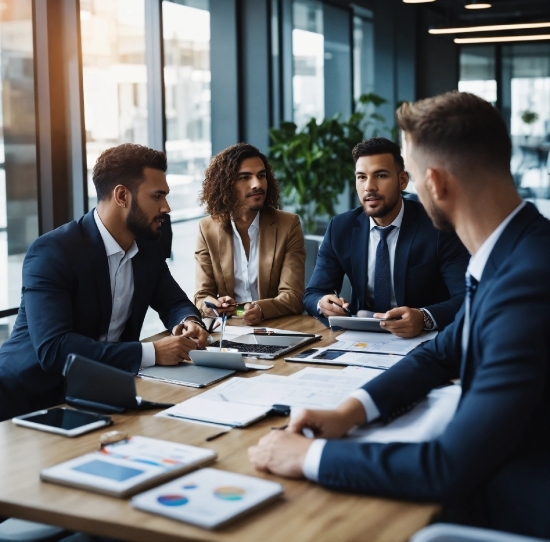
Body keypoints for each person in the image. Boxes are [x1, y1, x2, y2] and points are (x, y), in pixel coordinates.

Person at [249, 92, 550, 538]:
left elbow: (448, 466)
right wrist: (349, 413)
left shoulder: (528, 279)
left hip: (511, 507)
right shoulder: (517, 251)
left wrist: (307, 457)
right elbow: (441, 354)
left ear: (432, 182)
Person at [0, 144, 208, 422]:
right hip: (31, 400)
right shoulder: (53, 252)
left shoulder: (146, 249)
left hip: (103, 394)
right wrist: (151, 352)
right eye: (157, 196)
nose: (166, 207)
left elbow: (173, 301)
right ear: (122, 195)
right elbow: (54, 349)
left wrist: (188, 319)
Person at [303, 137, 469, 338]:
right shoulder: (340, 227)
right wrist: (323, 303)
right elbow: (313, 294)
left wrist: (424, 317)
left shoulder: (438, 226)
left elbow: (466, 297)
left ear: (403, 180)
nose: (369, 187)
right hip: (359, 337)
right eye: (361, 177)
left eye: (380, 175)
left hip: (424, 339)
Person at [194, 143, 305, 325]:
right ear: (226, 185)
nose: (257, 184)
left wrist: (259, 309)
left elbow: (293, 297)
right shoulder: (207, 229)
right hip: (229, 330)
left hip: (278, 327)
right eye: (245, 177)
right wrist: (214, 306)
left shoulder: (288, 225)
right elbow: (201, 297)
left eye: (261, 176)